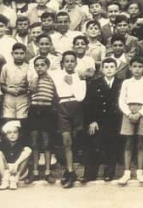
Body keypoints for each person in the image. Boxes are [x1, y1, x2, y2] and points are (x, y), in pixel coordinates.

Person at [83, 57, 122, 183]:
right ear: (102, 70)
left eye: (112, 67)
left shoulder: (121, 83)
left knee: (113, 146)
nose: (109, 69)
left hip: (115, 120)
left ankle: (109, 173)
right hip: (98, 120)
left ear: (116, 69)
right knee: (93, 145)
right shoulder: (94, 83)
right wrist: (92, 120)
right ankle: (90, 174)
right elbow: (88, 104)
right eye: (106, 67)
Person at [50, 51, 86, 188]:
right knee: (66, 141)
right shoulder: (57, 75)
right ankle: (70, 171)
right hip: (62, 108)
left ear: (76, 63)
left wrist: (72, 84)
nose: (69, 63)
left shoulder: (79, 77)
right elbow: (42, 72)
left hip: (76, 108)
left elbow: (80, 96)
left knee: (76, 141)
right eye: (67, 61)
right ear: (63, 63)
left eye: (72, 61)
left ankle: (71, 171)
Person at [118, 56, 143, 185]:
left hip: (142, 112)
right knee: (128, 143)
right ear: (131, 68)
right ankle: (126, 172)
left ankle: (140, 172)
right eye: (135, 67)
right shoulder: (126, 82)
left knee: (141, 143)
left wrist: (140, 113)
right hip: (128, 112)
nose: (137, 69)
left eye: (140, 67)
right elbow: (121, 100)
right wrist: (128, 113)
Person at [0, 120, 32, 190]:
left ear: (19, 134)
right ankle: (5, 180)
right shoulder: (2, 143)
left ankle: (14, 180)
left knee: (27, 150)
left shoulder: (22, 143)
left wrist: (16, 164)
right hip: (6, 170)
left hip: (18, 170)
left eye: (15, 132)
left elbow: (28, 151)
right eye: (9, 133)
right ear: (6, 135)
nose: (12, 135)